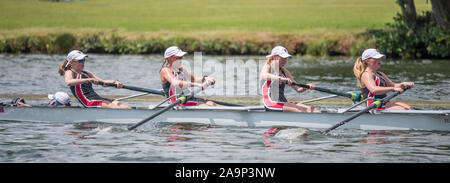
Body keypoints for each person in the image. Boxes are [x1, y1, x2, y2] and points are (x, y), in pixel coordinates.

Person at [57, 50, 131, 109]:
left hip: (97, 98)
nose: (82, 62)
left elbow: (103, 82)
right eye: (80, 60)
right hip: (88, 101)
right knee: (115, 107)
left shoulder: (86, 73)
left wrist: (115, 82)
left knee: (124, 106)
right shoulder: (69, 72)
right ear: (72, 62)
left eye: (83, 60)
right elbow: (69, 82)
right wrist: (89, 80)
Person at [260, 46, 319, 113]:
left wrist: (306, 87)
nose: (285, 60)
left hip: (283, 102)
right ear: (274, 57)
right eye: (283, 58)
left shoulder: (284, 72)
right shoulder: (268, 66)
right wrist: (280, 78)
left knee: (312, 109)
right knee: (303, 110)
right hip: (271, 103)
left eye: (286, 58)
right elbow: (263, 75)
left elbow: (298, 89)